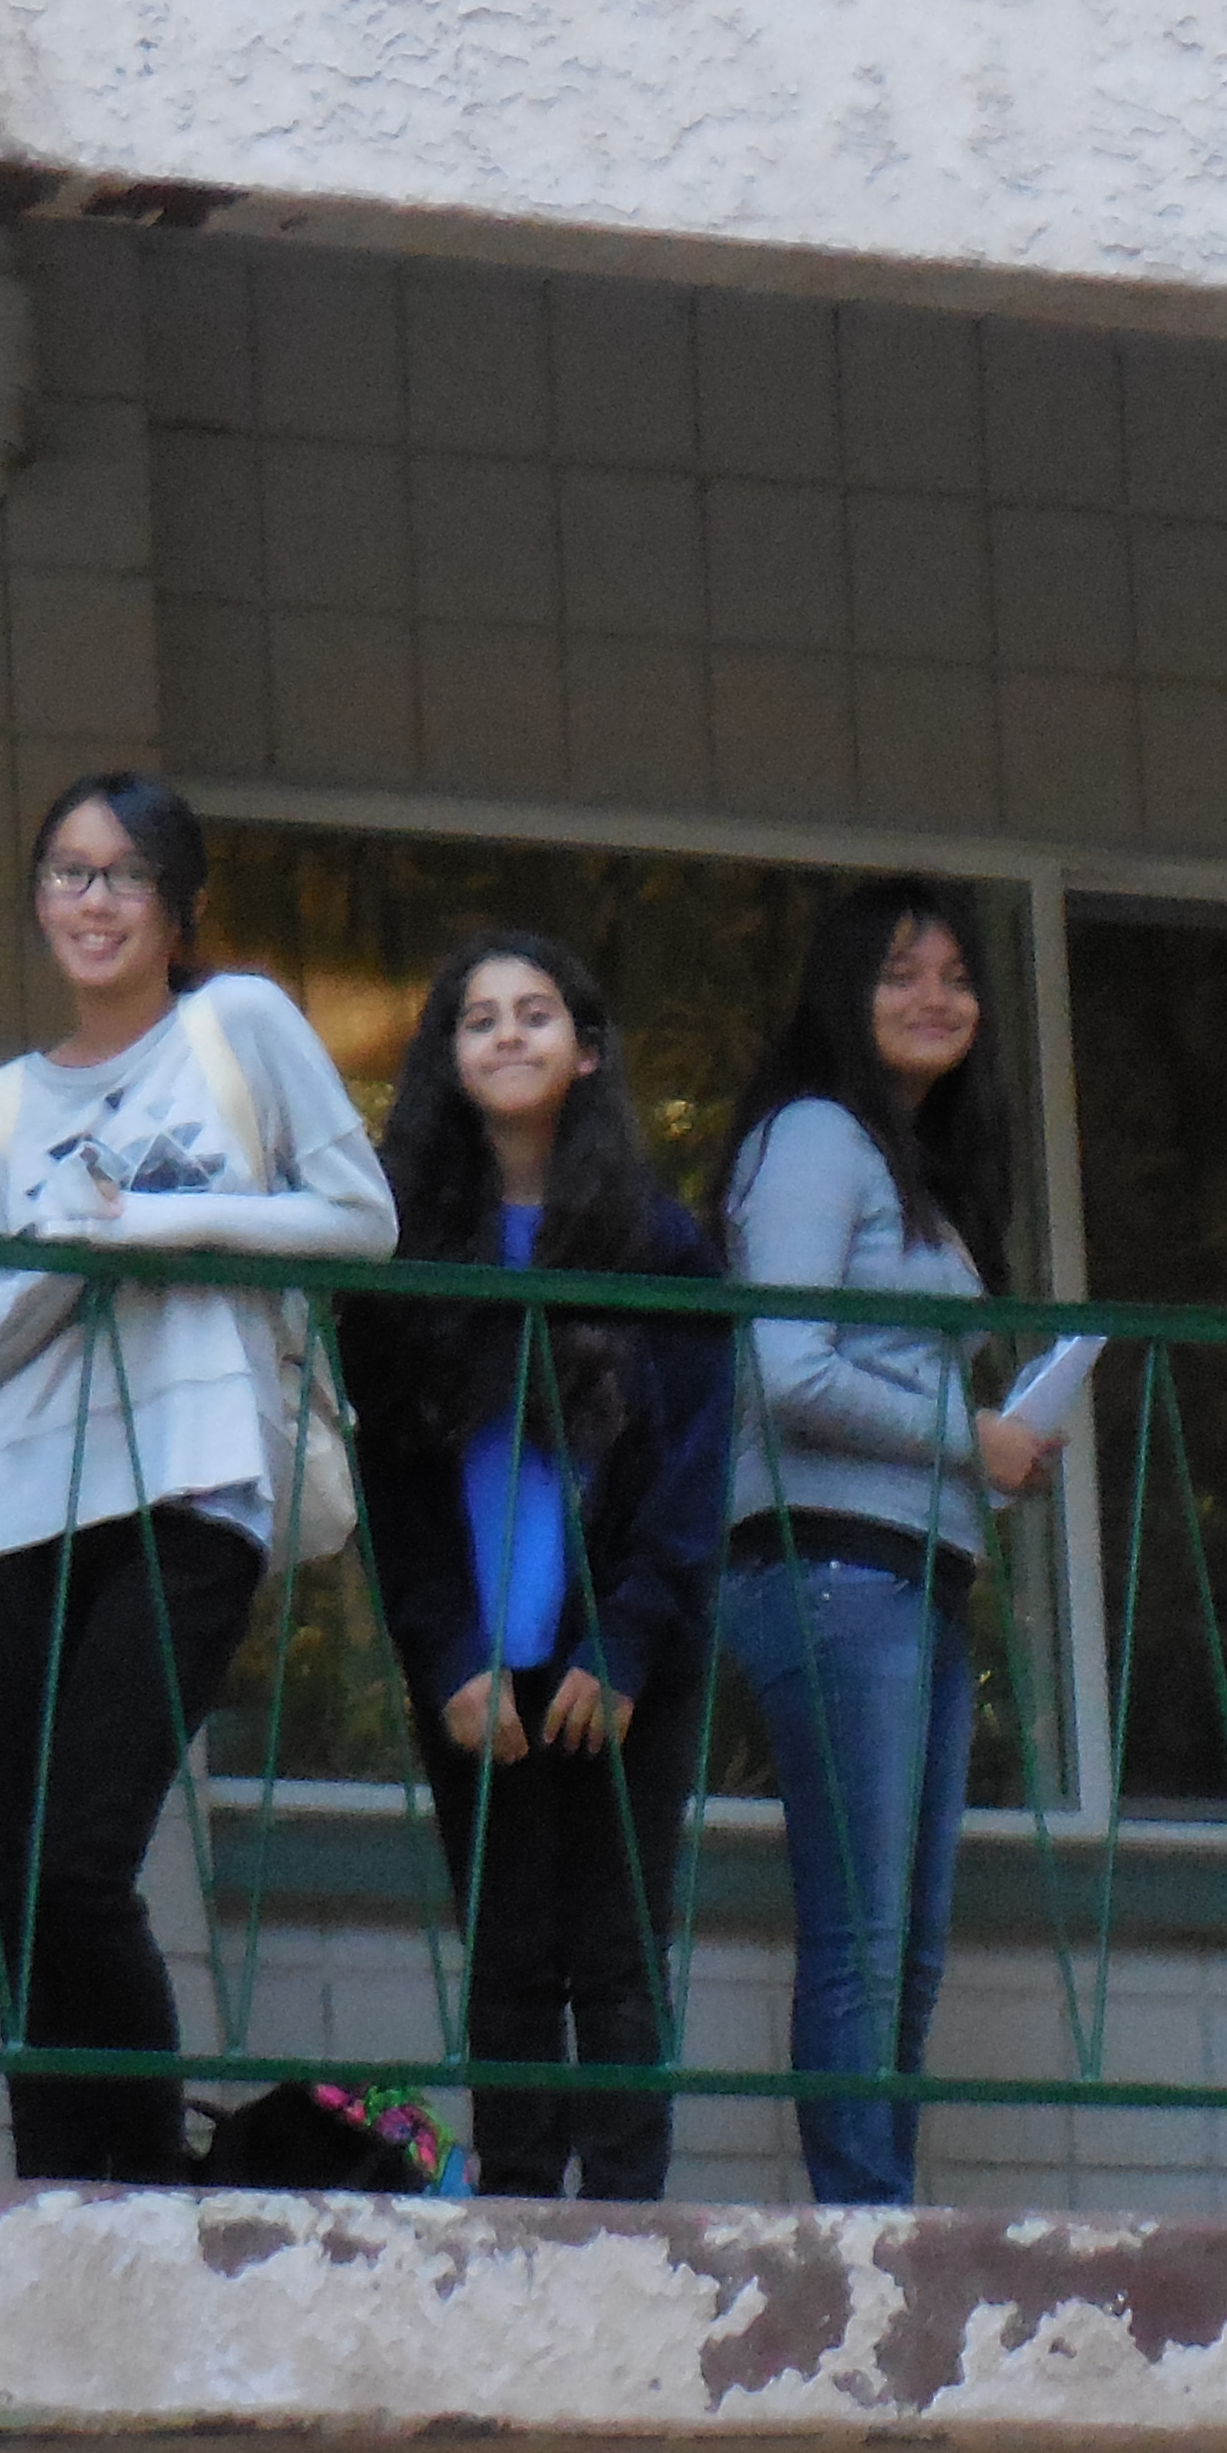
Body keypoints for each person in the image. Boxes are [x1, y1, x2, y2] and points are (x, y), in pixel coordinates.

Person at [0, 772, 394, 2184]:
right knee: (27, 1900)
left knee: (85, 1867)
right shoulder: (4, 1106)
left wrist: (167, 1219)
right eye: (67, 872)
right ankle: (56, 2196)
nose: (92, 900)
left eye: (123, 875)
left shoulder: (236, 1023)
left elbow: (361, 1217)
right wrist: (81, 1255)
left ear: (177, 906)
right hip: (19, 1508)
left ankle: (146, 2198)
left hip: (196, 1486)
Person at [340, 930, 731, 2201]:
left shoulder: (656, 1241)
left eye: (537, 1014)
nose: (509, 1034)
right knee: (506, 1953)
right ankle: (513, 2221)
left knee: (617, 1953)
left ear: (587, 1052)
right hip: (477, 1669)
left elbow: (691, 1465)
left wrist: (625, 1641)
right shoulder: (403, 1252)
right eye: (479, 1018)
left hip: (623, 1657)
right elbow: (393, 1479)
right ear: (447, 1061)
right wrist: (449, 1654)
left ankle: (625, 2234)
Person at [711, 875, 1045, 2207]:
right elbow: (787, 1370)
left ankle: (878, 2206)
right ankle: (863, 2226)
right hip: (834, 1566)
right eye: (902, 974)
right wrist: (976, 1439)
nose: (936, 1000)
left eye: (957, 977)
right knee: (861, 1931)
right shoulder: (814, 1139)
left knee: (903, 1947)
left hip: (913, 1575)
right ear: (844, 996)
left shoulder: (911, 1167)